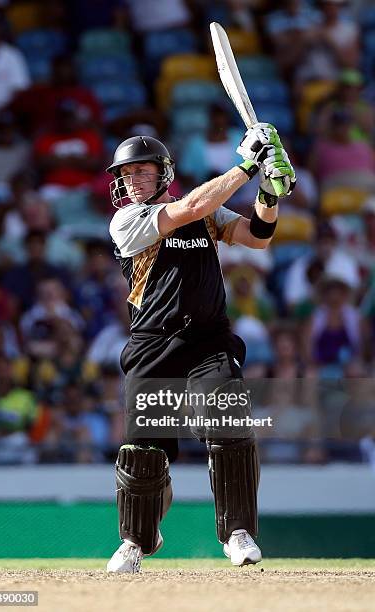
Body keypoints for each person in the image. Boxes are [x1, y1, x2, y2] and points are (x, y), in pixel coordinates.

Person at [105, 125, 296, 572]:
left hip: (207, 340)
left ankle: (238, 532)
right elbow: (192, 206)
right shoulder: (126, 221)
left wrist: (269, 190)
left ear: (163, 173)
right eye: (126, 174)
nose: (132, 181)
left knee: (229, 420)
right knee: (142, 449)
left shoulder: (207, 214)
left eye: (142, 172)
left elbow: (257, 237)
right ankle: (137, 540)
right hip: (152, 345)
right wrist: (247, 165)